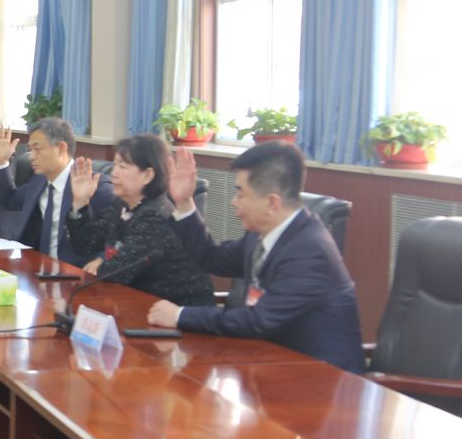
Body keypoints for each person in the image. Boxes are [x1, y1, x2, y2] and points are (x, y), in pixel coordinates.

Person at [148, 141, 366, 371]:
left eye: (241, 193)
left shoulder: (310, 251)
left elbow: (259, 320)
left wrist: (180, 315)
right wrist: (183, 202)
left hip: (323, 377)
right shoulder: (261, 235)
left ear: (272, 203)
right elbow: (211, 257)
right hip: (272, 363)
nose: (234, 202)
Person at [64, 135, 217, 307]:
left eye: (123, 166)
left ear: (148, 175)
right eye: (115, 165)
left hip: (178, 311)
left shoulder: (156, 215)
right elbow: (85, 245)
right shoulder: (123, 204)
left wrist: (101, 264)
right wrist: (80, 202)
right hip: (140, 303)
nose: (113, 173)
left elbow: (116, 274)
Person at [0, 118, 116, 267]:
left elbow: (119, 235)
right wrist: (1, 162)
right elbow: (10, 200)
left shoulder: (95, 187)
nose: (31, 156)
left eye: (37, 149)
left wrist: (102, 260)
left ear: (61, 148)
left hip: (75, 272)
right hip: (37, 267)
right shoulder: (39, 180)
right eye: (31, 149)